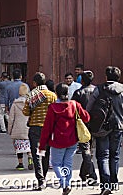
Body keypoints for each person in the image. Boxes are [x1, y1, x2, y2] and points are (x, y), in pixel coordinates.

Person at [39, 83, 90, 195]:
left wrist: (42, 146)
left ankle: (64, 184)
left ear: (56, 94)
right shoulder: (74, 104)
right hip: (72, 140)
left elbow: (47, 129)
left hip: (57, 141)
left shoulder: (52, 108)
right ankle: (67, 183)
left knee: (56, 164)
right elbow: (86, 118)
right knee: (68, 163)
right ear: (68, 93)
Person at [87, 66, 123, 195]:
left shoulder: (99, 89)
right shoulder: (122, 90)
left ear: (106, 77)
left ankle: (105, 185)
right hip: (118, 127)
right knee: (115, 156)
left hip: (102, 128)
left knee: (103, 156)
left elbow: (89, 107)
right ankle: (114, 183)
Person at [22, 72, 57, 190]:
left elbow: (26, 112)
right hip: (49, 128)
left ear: (34, 83)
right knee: (46, 153)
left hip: (35, 128)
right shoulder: (52, 95)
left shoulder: (32, 95)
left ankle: (40, 179)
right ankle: (44, 177)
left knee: (37, 154)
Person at [71, 70, 98, 184]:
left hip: (82, 125)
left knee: (85, 150)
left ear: (82, 80)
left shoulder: (78, 93)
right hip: (97, 124)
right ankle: (83, 173)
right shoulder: (97, 91)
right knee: (89, 150)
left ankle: (92, 175)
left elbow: (72, 109)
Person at [8, 84, 33, 170]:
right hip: (28, 128)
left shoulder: (15, 104)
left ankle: (20, 164)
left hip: (17, 128)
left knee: (19, 147)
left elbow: (11, 118)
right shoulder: (31, 103)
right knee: (29, 145)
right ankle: (30, 156)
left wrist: (9, 130)